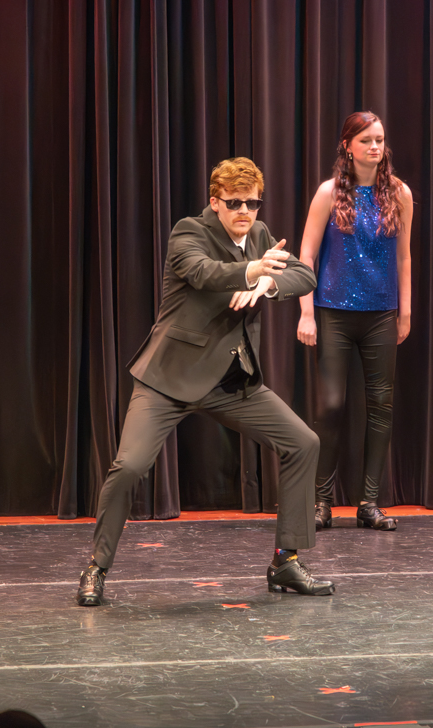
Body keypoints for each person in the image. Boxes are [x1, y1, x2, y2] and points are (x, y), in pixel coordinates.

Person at [76, 158, 329, 607]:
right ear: (215, 202)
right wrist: (254, 271)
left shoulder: (260, 235)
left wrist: (268, 286)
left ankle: (285, 561)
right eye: (235, 203)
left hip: (230, 380)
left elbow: (304, 275)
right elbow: (203, 272)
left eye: (252, 203)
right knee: (129, 467)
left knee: (303, 443)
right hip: (169, 378)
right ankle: (96, 567)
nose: (245, 211)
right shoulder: (189, 232)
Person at [296, 112, 413, 531]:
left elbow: (404, 257)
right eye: (366, 140)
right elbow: (306, 255)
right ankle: (321, 502)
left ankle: (369, 503)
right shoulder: (328, 193)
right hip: (333, 312)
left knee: (380, 406)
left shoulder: (399, 193)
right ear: (348, 146)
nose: (375, 147)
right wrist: (306, 311)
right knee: (330, 405)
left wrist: (405, 311)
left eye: (379, 139)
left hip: (380, 313)